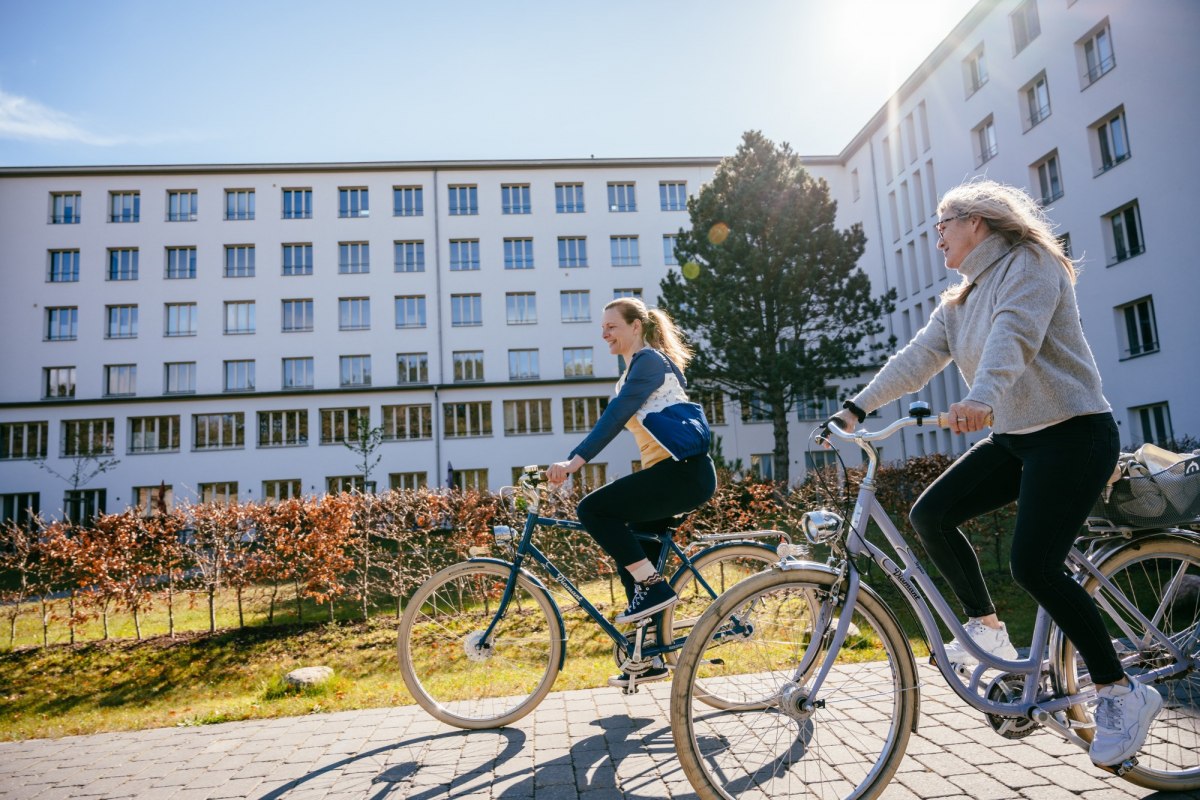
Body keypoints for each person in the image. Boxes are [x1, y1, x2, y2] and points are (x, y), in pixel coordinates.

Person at [828, 179, 1161, 770]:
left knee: (1034, 564)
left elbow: (1016, 335)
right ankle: (986, 631)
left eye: (941, 226)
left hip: (1074, 433)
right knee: (931, 513)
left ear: (976, 223)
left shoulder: (1032, 265)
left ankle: (1122, 693)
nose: (937, 240)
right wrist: (856, 407)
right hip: (1017, 437)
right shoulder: (959, 301)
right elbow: (916, 360)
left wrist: (982, 395)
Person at [547, 297, 716, 688]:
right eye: (603, 327)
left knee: (594, 510)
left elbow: (617, 413)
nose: (604, 333)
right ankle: (648, 657)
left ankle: (654, 589)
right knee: (635, 563)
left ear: (635, 327)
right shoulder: (633, 372)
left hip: (683, 475)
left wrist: (576, 461)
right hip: (669, 475)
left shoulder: (650, 362)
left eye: (612, 326)